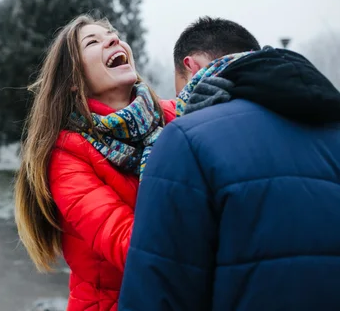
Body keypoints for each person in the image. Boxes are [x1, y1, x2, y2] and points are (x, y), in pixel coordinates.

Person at [119, 16, 340, 311]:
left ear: (191, 66)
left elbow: (158, 289)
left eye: (180, 90)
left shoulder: (187, 138)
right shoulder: (330, 125)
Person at [13, 14, 176, 311]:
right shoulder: (66, 158)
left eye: (112, 34)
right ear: (74, 81)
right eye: (93, 41)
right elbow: (134, 247)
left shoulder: (173, 116)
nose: (113, 39)